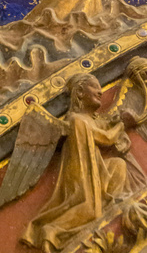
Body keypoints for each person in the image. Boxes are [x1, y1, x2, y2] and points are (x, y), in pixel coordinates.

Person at [23, 73, 145, 251]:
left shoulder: (90, 119)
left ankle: (108, 201)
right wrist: (122, 125)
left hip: (95, 169)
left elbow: (106, 131)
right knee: (89, 210)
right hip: (82, 175)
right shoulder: (76, 120)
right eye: (94, 86)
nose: (100, 91)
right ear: (80, 92)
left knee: (118, 165)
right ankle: (50, 232)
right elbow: (106, 138)